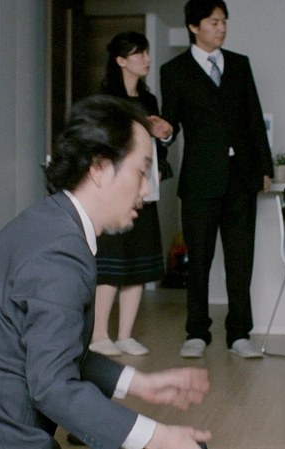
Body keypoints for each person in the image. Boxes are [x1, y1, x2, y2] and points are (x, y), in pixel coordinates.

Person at [0, 95, 211, 449]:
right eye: (141, 171)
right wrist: (156, 437)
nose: (146, 190)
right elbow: (53, 386)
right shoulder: (59, 253)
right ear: (99, 168)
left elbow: (54, 348)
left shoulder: (52, 222)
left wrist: (138, 383)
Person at [160, 0, 273, 358]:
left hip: (241, 178)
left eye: (224, 21)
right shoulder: (174, 70)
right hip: (200, 180)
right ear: (194, 27)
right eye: (213, 22)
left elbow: (254, 118)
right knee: (199, 262)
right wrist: (164, 134)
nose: (221, 28)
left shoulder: (239, 65)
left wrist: (265, 168)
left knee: (241, 262)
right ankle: (197, 333)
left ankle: (240, 334)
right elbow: (170, 122)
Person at [88, 31, 174, 357]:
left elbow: (157, 149)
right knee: (111, 264)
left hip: (145, 191)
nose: (146, 60)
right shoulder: (106, 101)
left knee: (139, 263)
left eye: (147, 53)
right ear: (121, 60)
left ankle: (125, 335)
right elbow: (100, 144)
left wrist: (164, 134)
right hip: (115, 191)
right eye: (139, 54)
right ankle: (99, 334)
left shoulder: (149, 101)